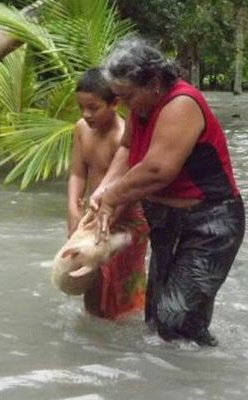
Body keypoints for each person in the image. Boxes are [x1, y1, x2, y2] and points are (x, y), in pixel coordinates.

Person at [89, 39, 245, 346]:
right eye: (119, 96)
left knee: (176, 324)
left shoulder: (181, 104)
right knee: (156, 321)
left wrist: (111, 197)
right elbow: (127, 148)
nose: (123, 104)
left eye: (127, 96)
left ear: (155, 83)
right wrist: (104, 189)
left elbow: (158, 170)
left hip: (208, 225)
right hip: (166, 220)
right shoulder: (141, 106)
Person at [67, 67, 149, 320]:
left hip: (127, 219)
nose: (86, 114)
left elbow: (129, 189)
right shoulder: (82, 129)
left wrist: (105, 221)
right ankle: (95, 337)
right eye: (82, 107)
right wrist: (72, 210)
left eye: (93, 107)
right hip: (94, 216)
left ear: (114, 103)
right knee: (90, 280)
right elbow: (78, 174)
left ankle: (121, 335)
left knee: (119, 289)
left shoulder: (122, 137)